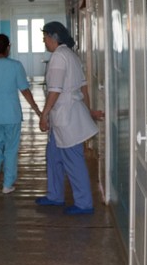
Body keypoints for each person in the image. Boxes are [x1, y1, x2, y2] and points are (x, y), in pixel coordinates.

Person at [36, 21, 104, 215]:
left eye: (45, 38)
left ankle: (84, 204)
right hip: (67, 115)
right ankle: (55, 195)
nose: (44, 41)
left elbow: (55, 90)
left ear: (54, 37)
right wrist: (88, 111)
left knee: (73, 160)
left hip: (65, 116)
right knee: (53, 155)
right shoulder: (71, 55)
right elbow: (83, 88)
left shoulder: (59, 57)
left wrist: (44, 114)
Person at [0, 33, 41, 194]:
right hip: (12, 115)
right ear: (8, 48)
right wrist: (36, 109)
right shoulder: (16, 66)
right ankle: (7, 185)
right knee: (11, 149)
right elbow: (25, 91)